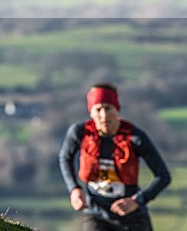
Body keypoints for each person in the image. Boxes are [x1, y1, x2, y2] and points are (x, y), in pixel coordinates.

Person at [58, 83, 171, 230]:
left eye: (108, 108)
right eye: (98, 109)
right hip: (96, 215)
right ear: (90, 112)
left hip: (133, 219)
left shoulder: (135, 138)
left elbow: (163, 176)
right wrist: (74, 189)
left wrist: (137, 200)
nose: (104, 115)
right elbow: (65, 158)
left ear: (117, 109)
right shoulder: (79, 133)